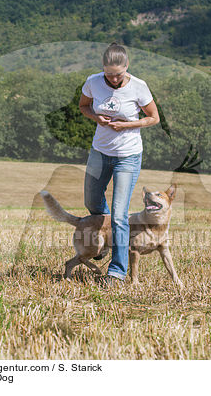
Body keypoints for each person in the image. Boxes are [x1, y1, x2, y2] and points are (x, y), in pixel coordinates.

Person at [79, 43, 160, 287]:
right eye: (109, 74)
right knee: (92, 201)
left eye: (118, 74)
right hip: (100, 151)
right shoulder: (93, 82)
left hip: (128, 155)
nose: (113, 79)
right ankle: (105, 235)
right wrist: (96, 117)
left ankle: (116, 272)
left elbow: (154, 118)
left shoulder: (139, 86)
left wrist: (126, 125)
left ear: (127, 68)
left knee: (119, 214)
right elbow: (83, 106)